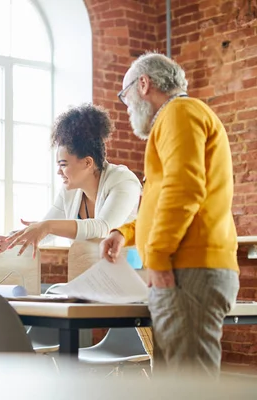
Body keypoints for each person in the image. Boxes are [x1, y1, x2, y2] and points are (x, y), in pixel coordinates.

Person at [100, 52, 239, 377]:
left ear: (144, 84)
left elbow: (184, 190)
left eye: (125, 95)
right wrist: (126, 233)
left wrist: (159, 256)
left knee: (190, 389)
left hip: (188, 269)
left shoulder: (179, 112)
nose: (126, 105)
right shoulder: (177, 117)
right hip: (186, 267)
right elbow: (164, 200)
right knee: (173, 387)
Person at [0, 104, 142, 258]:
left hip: (128, 272)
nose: (59, 172)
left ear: (88, 163)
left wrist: (46, 226)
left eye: (63, 165)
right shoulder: (70, 191)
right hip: (90, 272)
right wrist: (13, 239)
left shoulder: (123, 181)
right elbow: (47, 232)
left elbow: (104, 227)